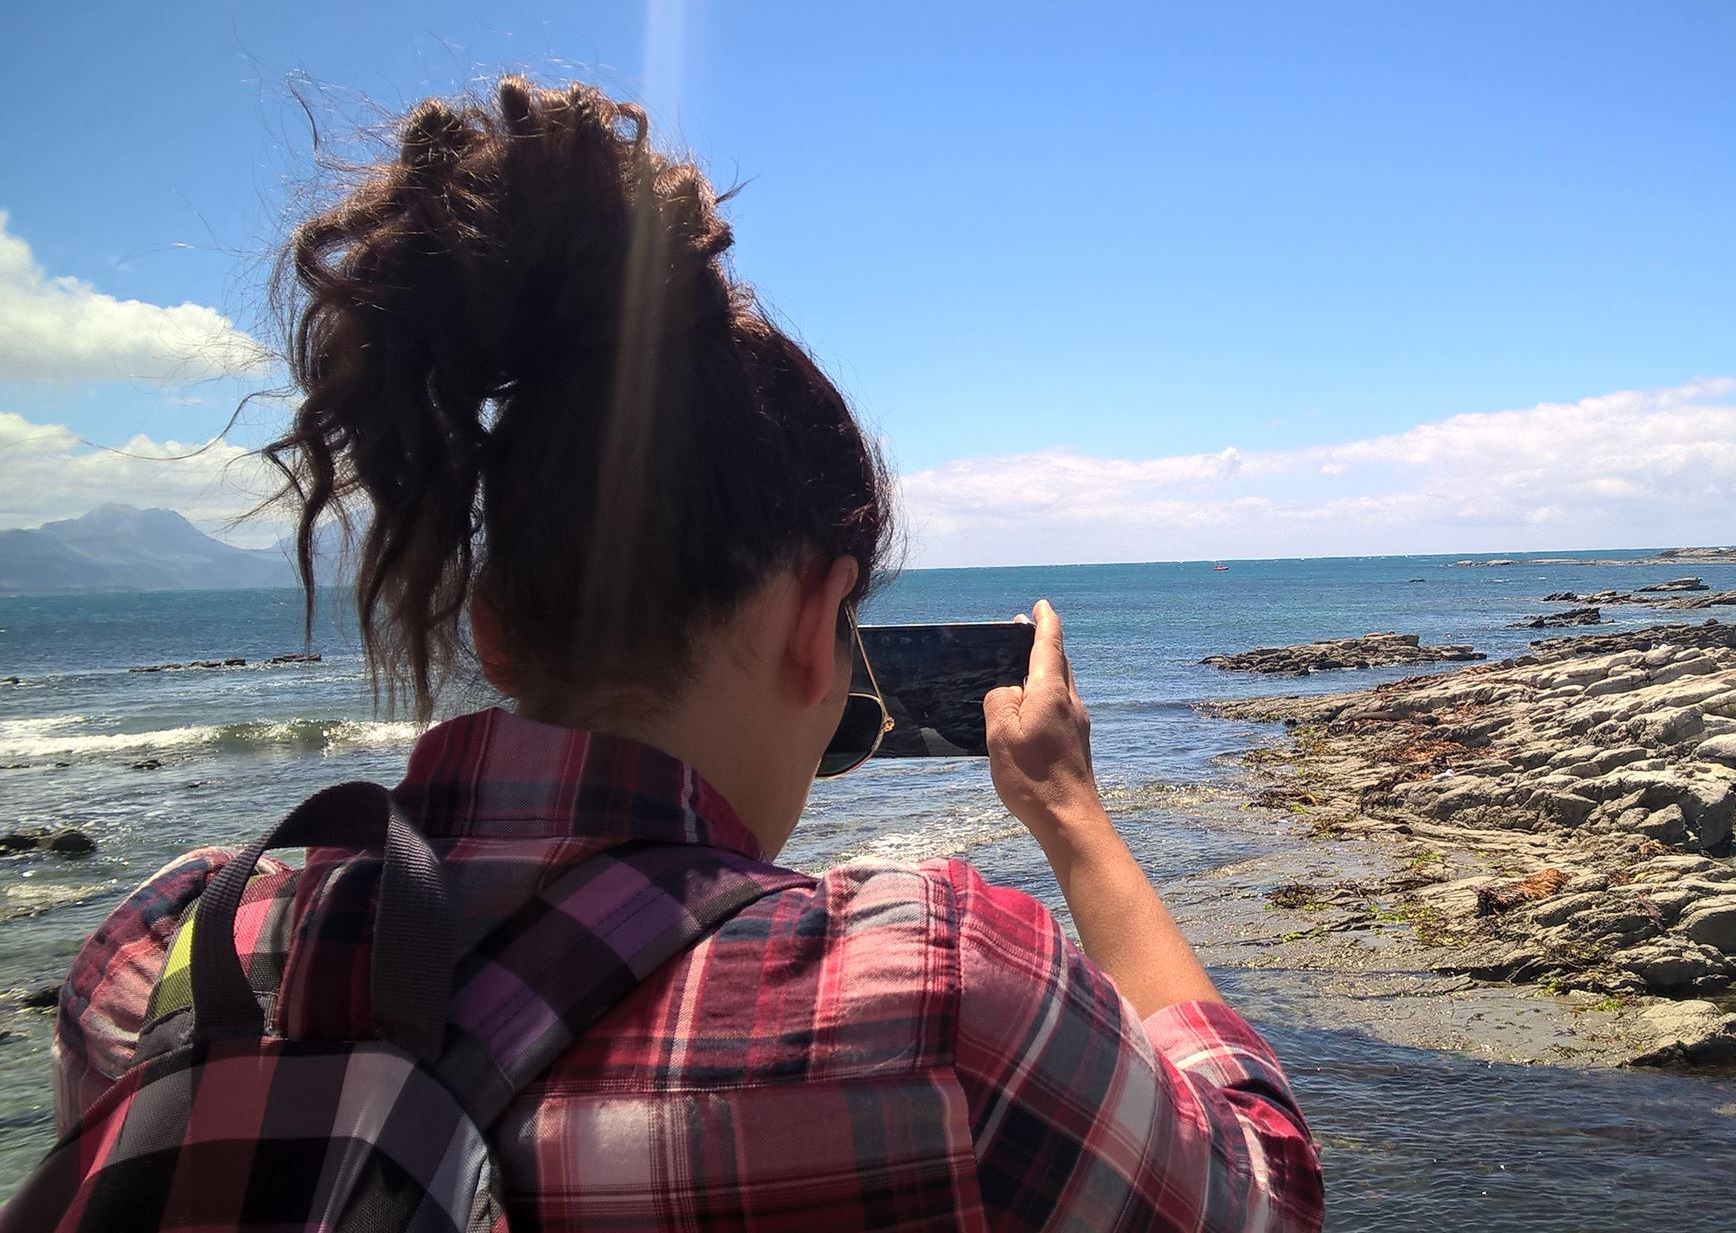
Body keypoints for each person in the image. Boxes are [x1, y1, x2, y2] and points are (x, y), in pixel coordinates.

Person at [49, 78, 1323, 1230]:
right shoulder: (935, 995)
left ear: (491, 628)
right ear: (812, 626)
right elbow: (1262, 1192)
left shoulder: (167, 951)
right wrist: (1071, 814)